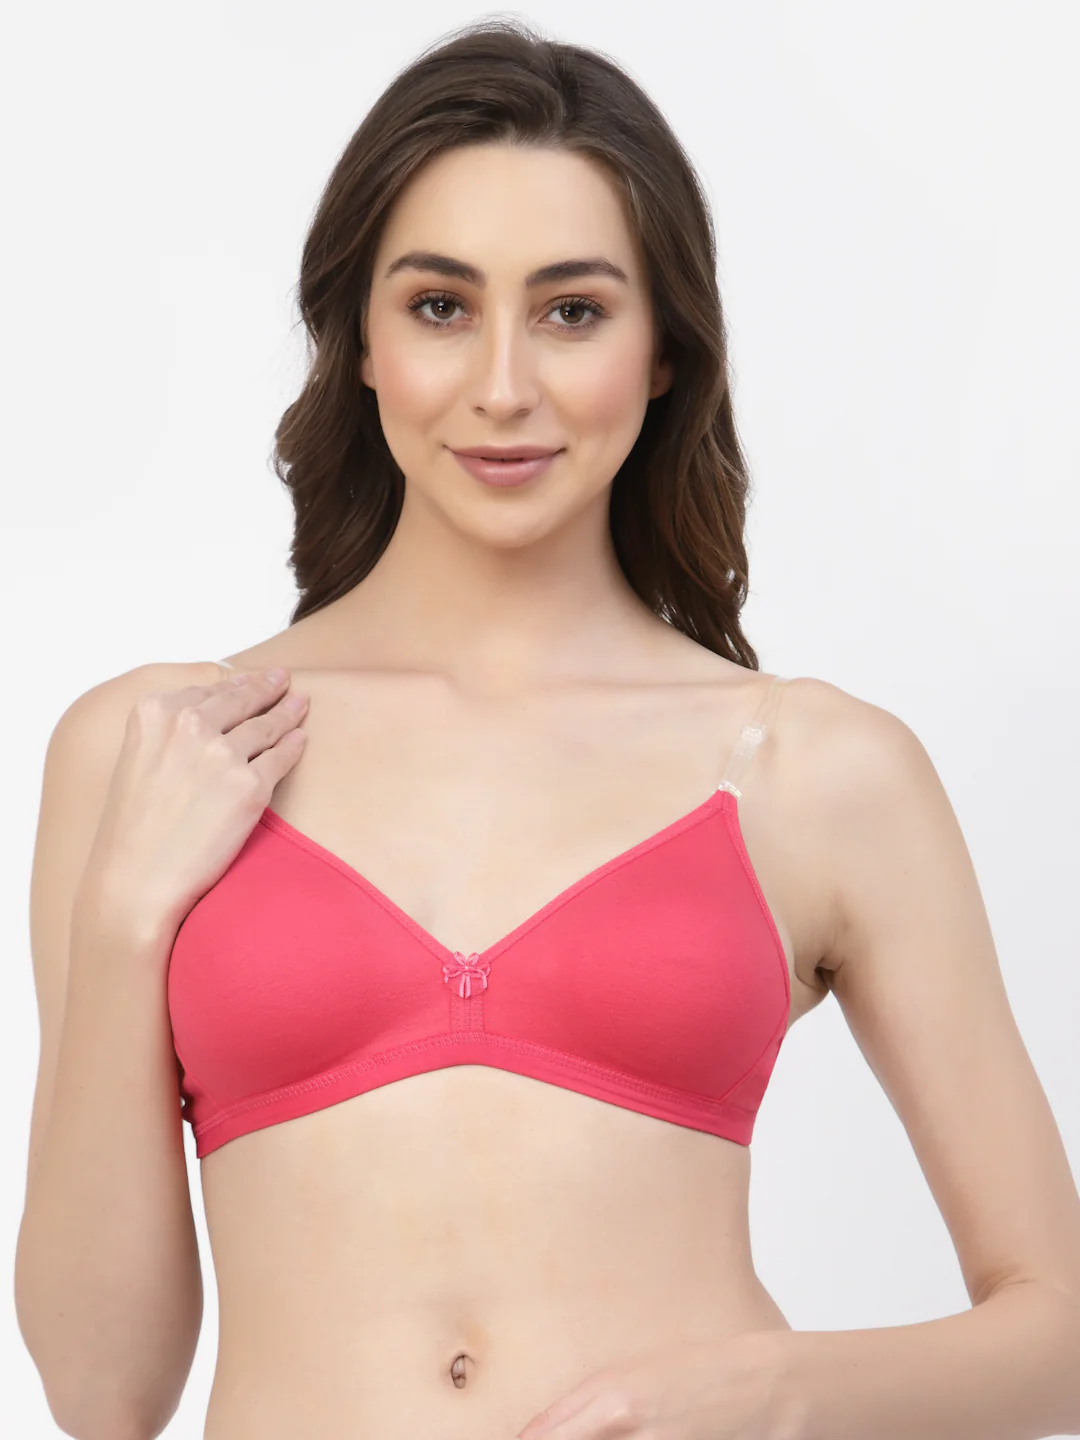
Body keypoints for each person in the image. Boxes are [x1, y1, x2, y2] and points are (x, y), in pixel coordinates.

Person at [15, 17, 1080, 1440]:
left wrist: (767, 1393)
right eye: (439, 307)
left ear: (663, 350)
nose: (504, 386)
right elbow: (102, 1392)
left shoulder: (818, 771)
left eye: (573, 311)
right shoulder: (152, 751)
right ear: (360, 342)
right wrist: (125, 920)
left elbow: (1059, 1332)